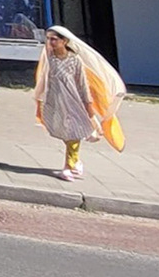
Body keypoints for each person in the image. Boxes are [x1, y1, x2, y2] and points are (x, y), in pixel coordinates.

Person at [34, 25, 127, 181]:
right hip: (55, 101)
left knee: (72, 134)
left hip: (73, 102)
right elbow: (44, 76)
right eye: (48, 39)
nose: (50, 42)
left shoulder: (74, 60)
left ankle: (68, 166)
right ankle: (76, 161)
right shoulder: (50, 57)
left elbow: (82, 85)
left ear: (64, 41)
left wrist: (88, 104)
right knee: (60, 131)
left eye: (54, 39)